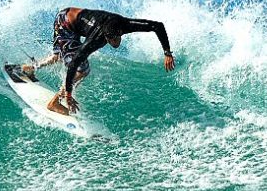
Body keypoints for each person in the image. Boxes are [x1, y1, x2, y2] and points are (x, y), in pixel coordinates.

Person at [22, 7, 175, 115]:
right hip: (64, 23)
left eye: (117, 38)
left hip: (75, 21)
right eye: (111, 40)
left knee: (61, 54)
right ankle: (55, 102)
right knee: (83, 69)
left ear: (121, 32)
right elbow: (74, 65)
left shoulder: (124, 24)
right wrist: (68, 94)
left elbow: (157, 26)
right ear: (105, 36)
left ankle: (31, 68)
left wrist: (167, 52)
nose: (115, 43)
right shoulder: (95, 38)